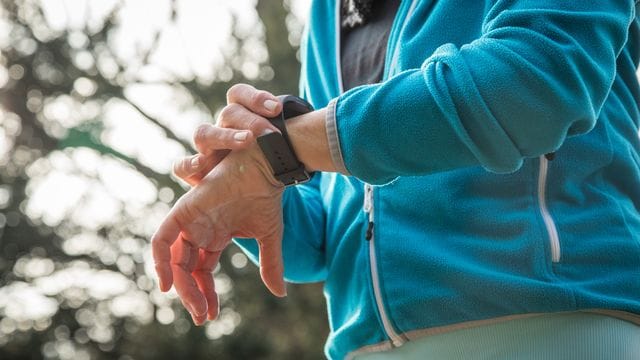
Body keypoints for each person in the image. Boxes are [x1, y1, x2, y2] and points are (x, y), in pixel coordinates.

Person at [151, 0, 640, 358]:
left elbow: (537, 81)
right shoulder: (328, 12)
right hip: (364, 348)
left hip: (554, 327)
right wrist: (248, 181)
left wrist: (289, 146)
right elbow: (327, 234)